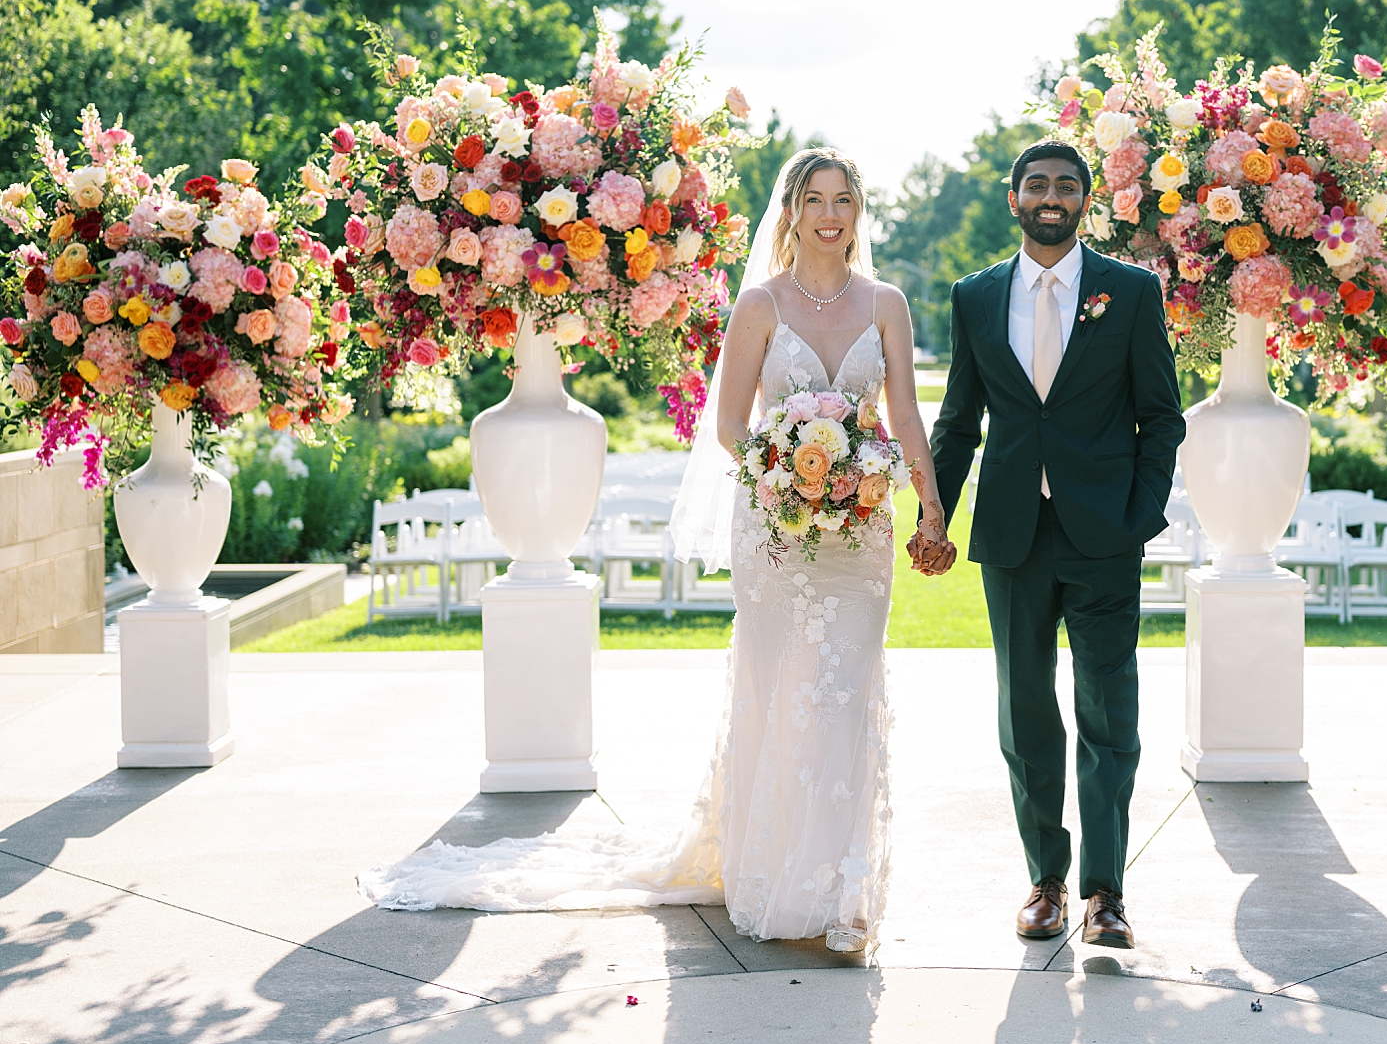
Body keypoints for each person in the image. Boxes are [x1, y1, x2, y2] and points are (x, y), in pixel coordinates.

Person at [360, 149, 947, 957]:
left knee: (845, 695)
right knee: (783, 694)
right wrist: (790, 484)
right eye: (815, 198)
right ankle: (775, 876)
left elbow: (906, 418)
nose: (831, 214)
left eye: (844, 199)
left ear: (859, 210)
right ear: (792, 211)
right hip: (778, 530)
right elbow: (731, 427)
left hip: (860, 538)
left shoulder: (887, 303)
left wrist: (931, 509)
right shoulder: (760, 305)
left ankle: (846, 891)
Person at [917, 139, 1185, 950]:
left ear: (1084, 200)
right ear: (1014, 198)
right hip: (1012, 536)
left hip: (1104, 535)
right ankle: (1046, 879)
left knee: (1109, 712)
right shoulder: (975, 296)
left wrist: (1138, 514)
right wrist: (936, 514)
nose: (1051, 196)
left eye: (1066, 185)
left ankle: (1107, 894)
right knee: (1025, 709)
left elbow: (1162, 417)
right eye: (1037, 184)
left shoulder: (1130, 293)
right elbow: (959, 422)